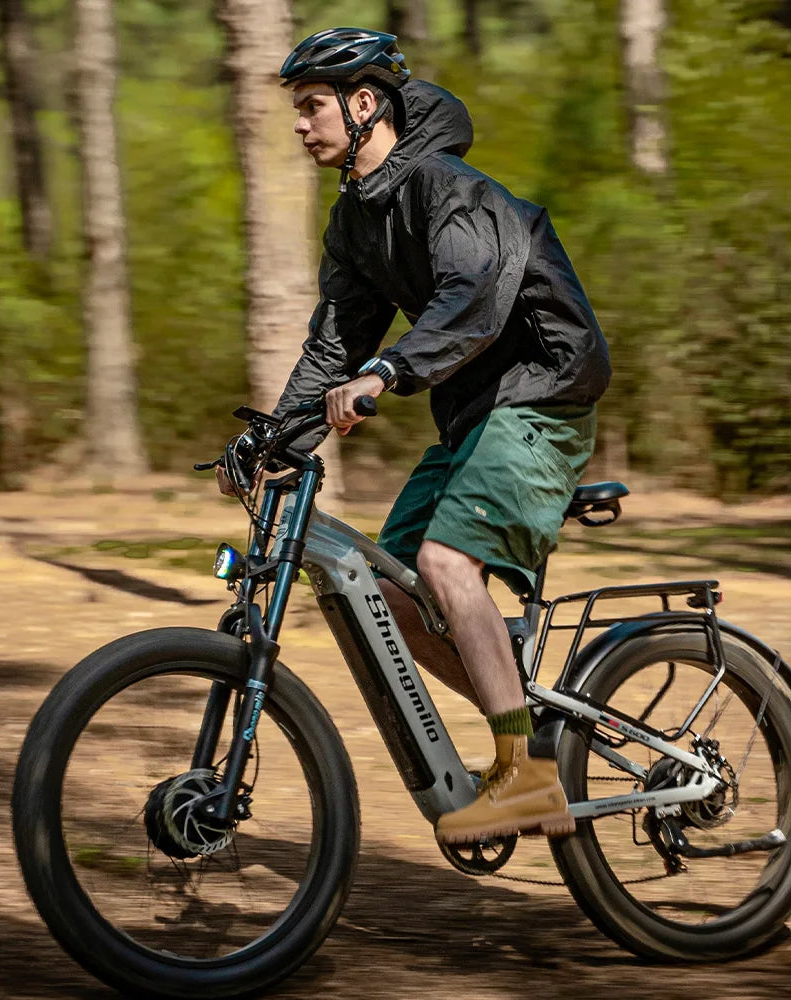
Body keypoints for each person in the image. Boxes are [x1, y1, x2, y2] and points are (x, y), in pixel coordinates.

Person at [219, 26, 611, 845]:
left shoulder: (446, 187)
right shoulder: (355, 220)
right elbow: (333, 347)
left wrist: (389, 371)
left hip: (542, 396)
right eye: (297, 109)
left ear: (365, 104)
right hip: (473, 418)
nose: (299, 124)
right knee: (388, 589)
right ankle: (523, 726)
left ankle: (522, 774)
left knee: (444, 563)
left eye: (312, 105)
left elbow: (475, 297)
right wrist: (273, 441)